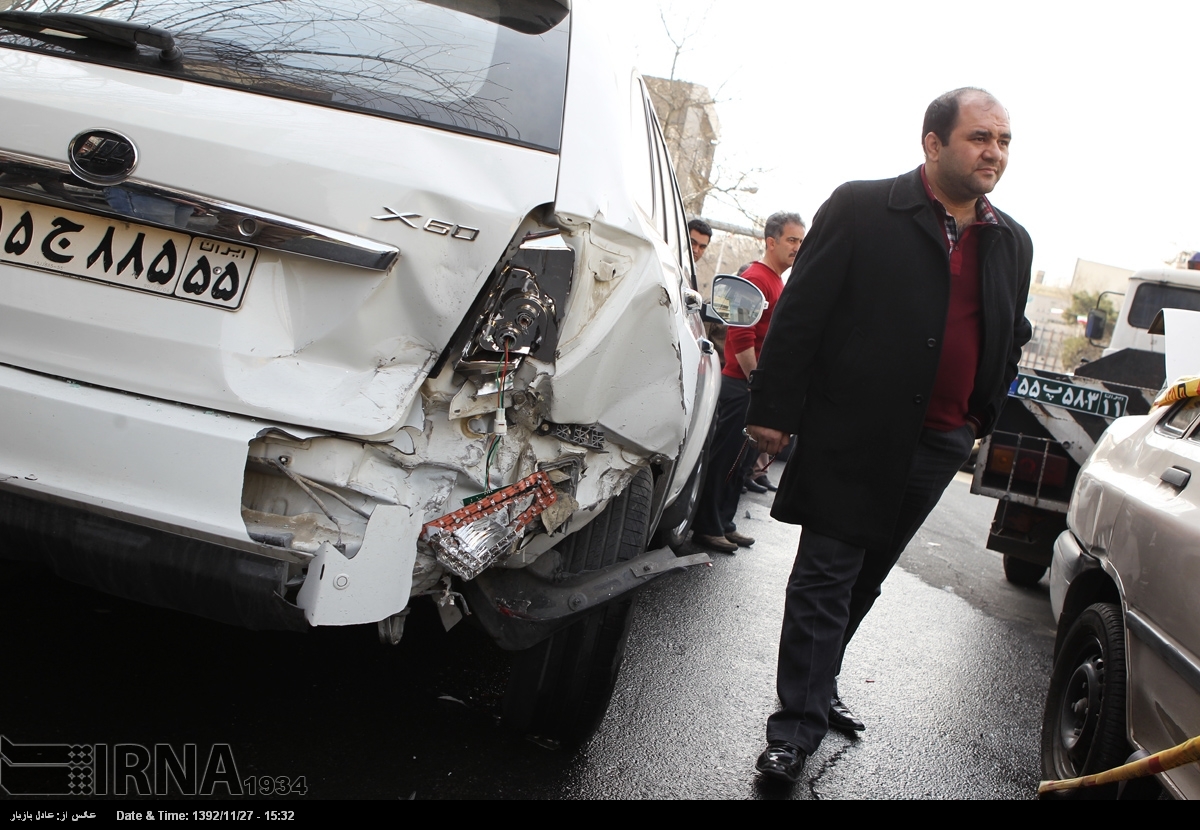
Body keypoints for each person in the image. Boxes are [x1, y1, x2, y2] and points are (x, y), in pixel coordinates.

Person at [746, 88, 1033, 783]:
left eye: (1003, 140)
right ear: (933, 143)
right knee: (825, 577)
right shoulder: (861, 207)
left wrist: (979, 417)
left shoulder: (1012, 241)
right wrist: (773, 409)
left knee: (866, 577)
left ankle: (817, 689)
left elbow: (1009, 335)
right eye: (978, 138)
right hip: (852, 431)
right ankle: (795, 728)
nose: (993, 152)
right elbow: (803, 312)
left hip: (938, 442)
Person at [691, 212, 806, 554]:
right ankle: (707, 526)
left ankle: (724, 523)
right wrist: (758, 385)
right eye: (791, 240)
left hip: (750, 388)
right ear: (771, 242)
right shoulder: (756, 278)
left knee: (739, 462)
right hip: (740, 387)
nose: (797, 247)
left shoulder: (775, 281)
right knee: (725, 459)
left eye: (801, 241)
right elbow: (741, 337)